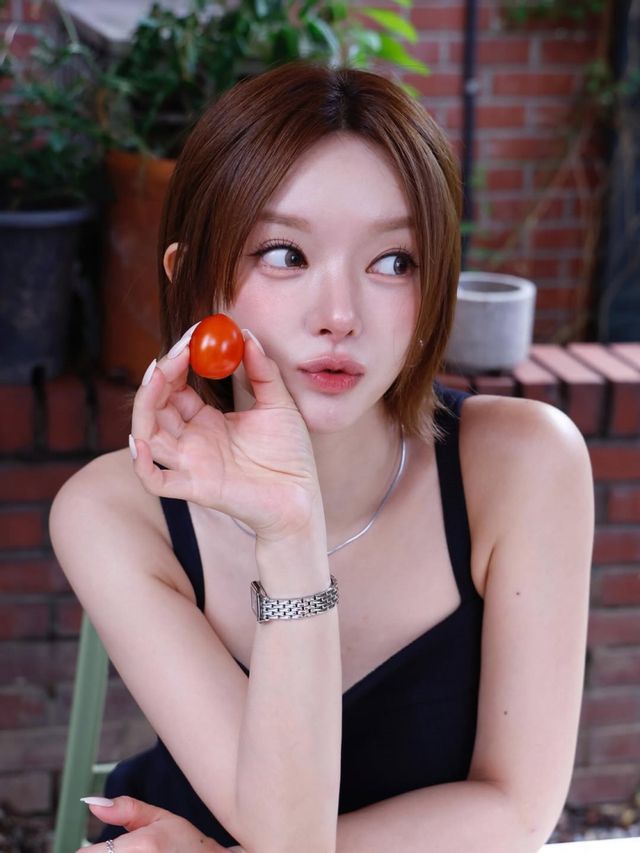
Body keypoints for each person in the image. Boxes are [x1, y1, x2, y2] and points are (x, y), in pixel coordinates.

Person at [50, 60, 595, 853]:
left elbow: (516, 813)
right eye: (284, 254)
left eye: (393, 261)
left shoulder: (523, 466)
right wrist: (288, 530)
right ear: (195, 283)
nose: (339, 314)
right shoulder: (111, 508)